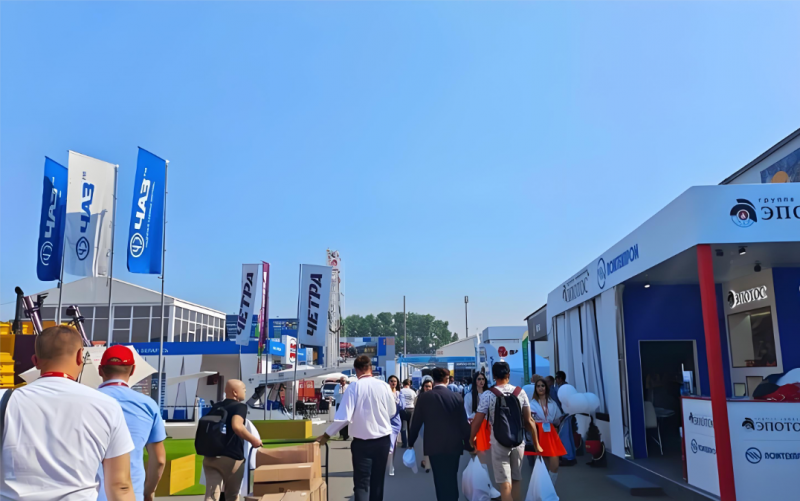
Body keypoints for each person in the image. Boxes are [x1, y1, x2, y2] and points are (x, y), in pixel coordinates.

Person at [0, 325, 135, 501]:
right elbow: (120, 486)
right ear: (80, 356)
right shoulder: (107, 406)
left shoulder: (5, 400)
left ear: (35, 360)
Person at [317, 356, 396, 501]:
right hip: (382, 441)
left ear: (356, 369)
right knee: (378, 482)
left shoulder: (354, 387)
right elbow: (392, 411)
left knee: (361, 483)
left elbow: (344, 417)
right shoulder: (384, 386)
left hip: (362, 443)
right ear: (370, 368)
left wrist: (327, 435)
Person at [97, 345, 167, 501]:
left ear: (100, 370)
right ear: (133, 370)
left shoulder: (86, 400)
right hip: (131, 493)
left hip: (89, 493)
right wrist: (148, 492)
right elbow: (159, 460)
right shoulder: (148, 404)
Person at [470, 362, 540, 501]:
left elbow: (477, 420)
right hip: (518, 442)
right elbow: (529, 420)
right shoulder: (520, 392)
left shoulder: (488, 395)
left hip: (498, 442)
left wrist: (471, 439)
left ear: (494, 376)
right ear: (509, 374)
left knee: (505, 485)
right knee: (516, 479)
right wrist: (536, 443)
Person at [408, 368, 471, 501]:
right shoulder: (457, 397)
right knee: (452, 476)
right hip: (454, 445)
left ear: (433, 379)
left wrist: (410, 442)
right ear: (447, 379)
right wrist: (468, 443)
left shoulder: (424, 397)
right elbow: (463, 423)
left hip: (434, 445)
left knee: (440, 479)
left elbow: (416, 422)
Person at [201, 379, 262, 501]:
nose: (245, 392)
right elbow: (237, 426)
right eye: (244, 389)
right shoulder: (240, 407)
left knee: (211, 495)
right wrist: (254, 441)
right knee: (232, 496)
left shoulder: (216, 407)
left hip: (210, 457)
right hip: (231, 458)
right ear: (235, 392)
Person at [527, 378, 566, 487]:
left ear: (546, 388)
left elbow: (558, 419)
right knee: (542, 465)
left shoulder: (552, 403)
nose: (540, 388)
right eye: (538, 386)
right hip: (538, 434)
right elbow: (527, 420)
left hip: (551, 433)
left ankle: (550, 487)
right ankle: (545, 489)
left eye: (542, 386)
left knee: (555, 465)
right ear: (535, 388)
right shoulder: (531, 404)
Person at [464, 371, 491, 462]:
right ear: (475, 381)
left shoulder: (489, 394)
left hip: (488, 426)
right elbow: (467, 412)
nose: (481, 381)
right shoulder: (469, 396)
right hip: (475, 426)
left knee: (488, 453)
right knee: (476, 453)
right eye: (479, 379)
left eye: (483, 379)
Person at [386, 375, 405, 476]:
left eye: (395, 381)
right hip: (385, 420)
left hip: (396, 421)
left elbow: (403, 406)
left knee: (393, 444)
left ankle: (391, 465)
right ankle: (386, 464)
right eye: (391, 381)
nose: (393, 383)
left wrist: (397, 402)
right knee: (388, 444)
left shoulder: (399, 393)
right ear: (388, 382)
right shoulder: (385, 393)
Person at [415, 377, 434, 473]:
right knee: (426, 443)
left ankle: (428, 462)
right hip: (423, 423)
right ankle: (427, 462)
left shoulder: (435, 396)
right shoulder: (419, 397)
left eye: (429, 386)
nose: (428, 388)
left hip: (434, 423)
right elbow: (416, 413)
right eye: (426, 386)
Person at [399, 379, 416, 448]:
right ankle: (410, 443)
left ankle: (404, 443)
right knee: (410, 427)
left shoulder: (401, 391)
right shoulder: (412, 391)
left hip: (403, 409)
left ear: (403, 384)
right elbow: (415, 400)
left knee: (403, 427)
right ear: (409, 384)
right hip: (411, 409)